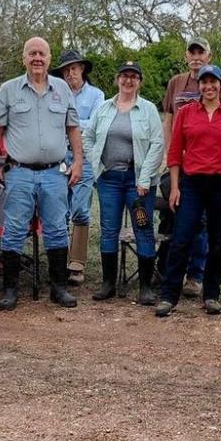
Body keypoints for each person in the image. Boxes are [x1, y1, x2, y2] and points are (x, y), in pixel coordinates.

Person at [0, 37, 84, 311]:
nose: (37, 58)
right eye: (32, 54)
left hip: (54, 173)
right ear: (24, 58)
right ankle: (10, 290)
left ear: (49, 59)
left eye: (42, 53)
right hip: (19, 173)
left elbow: (73, 128)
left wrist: (78, 162)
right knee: (15, 229)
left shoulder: (63, 89)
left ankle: (59, 288)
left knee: (56, 229)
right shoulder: (8, 90)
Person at [157, 64, 221, 317]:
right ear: (200, 86)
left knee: (217, 242)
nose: (208, 87)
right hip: (192, 182)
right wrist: (175, 186)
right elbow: (175, 153)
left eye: (213, 82)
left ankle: (212, 294)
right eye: (204, 82)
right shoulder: (185, 113)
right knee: (182, 238)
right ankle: (169, 296)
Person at [83, 61, 164, 304]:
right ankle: (108, 283)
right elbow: (88, 137)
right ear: (117, 79)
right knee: (109, 229)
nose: (128, 81)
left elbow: (157, 144)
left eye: (133, 77)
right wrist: (96, 163)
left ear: (139, 81)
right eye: (124, 76)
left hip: (138, 182)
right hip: (109, 179)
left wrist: (144, 178)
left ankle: (145, 287)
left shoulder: (148, 109)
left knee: (143, 228)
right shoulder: (105, 108)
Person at [50, 49, 104, 286]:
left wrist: (69, 124)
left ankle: (77, 263)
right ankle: (59, 261)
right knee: (58, 210)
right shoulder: (54, 94)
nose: (70, 73)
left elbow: (95, 125)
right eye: (66, 69)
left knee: (81, 210)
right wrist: (74, 127)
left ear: (82, 69)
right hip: (59, 157)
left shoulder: (96, 95)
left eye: (74, 68)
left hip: (85, 157)